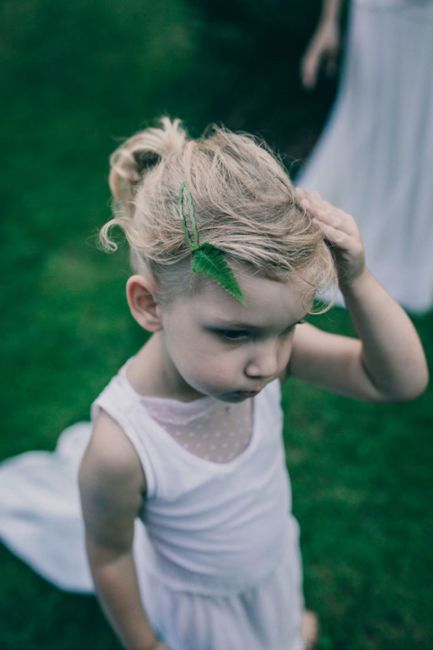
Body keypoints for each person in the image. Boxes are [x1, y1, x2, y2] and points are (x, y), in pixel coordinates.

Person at [0, 117, 428, 650]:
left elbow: (396, 382)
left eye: (289, 328)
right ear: (150, 305)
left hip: (268, 570)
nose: (268, 364)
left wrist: (357, 281)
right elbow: (109, 555)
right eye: (234, 334)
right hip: (201, 615)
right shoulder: (122, 446)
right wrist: (146, 645)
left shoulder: (265, 354)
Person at [299, 0, 433, 312]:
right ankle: (348, 235)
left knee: (421, 129)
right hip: (377, 16)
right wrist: (329, 22)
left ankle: (413, 246)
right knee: (368, 125)